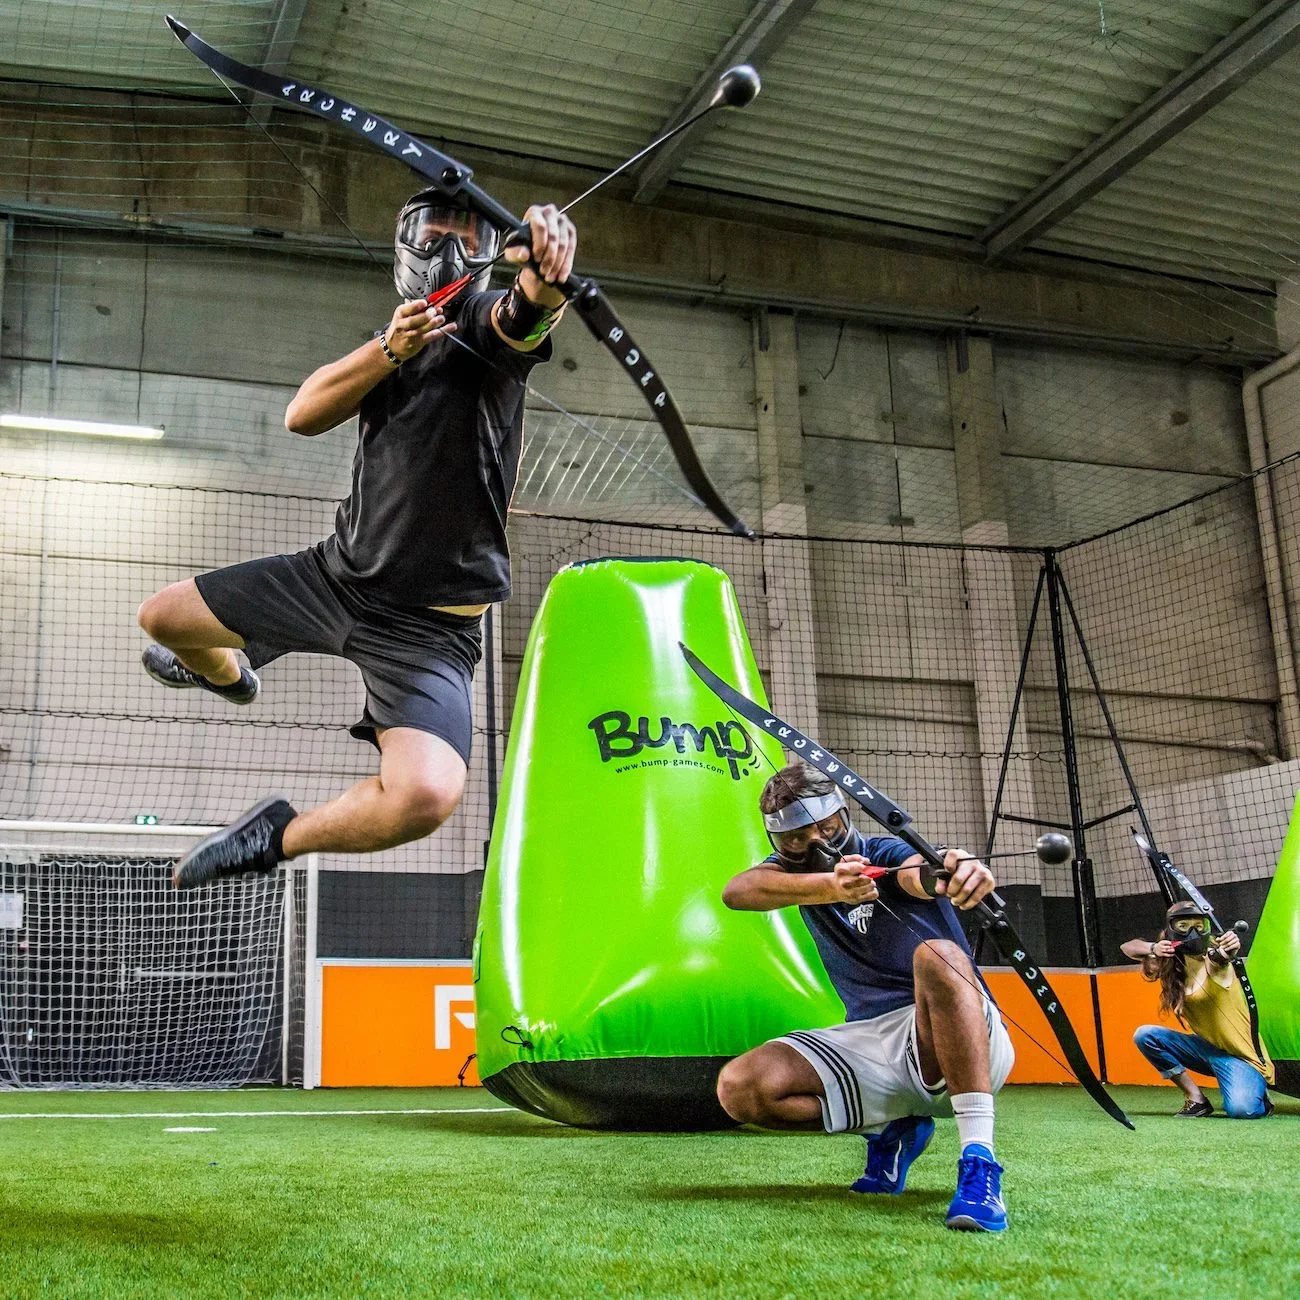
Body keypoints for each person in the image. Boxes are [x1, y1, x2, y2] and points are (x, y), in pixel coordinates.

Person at [136, 193, 577, 887]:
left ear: (491, 252)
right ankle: (228, 675)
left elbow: (522, 316)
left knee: (424, 796)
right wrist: (389, 349)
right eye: (434, 233)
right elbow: (302, 414)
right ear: (406, 246)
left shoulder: (483, 328)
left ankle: (277, 837)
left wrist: (547, 275)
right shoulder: (393, 340)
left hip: (428, 633)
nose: (449, 249)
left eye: (467, 237)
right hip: (334, 581)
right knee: (163, 618)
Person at [715, 760, 1014, 1233]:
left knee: (938, 956)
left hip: (954, 1035)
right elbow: (737, 891)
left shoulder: (883, 852)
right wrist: (830, 886)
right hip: (872, 1043)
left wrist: (954, 871)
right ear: (778, 841)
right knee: (741, 1088)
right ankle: (891, 1129)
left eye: (827, 828)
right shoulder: (793, 874)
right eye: (797, 839)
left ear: (844, 816)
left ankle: (979, 1160)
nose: (818, 844)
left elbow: (920, 872)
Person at [1124, 901, 1274, 1119]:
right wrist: (1153, 948)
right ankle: (1195, 1099)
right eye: (1183, 926)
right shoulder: (1171, 961)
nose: (1192, 932)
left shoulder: (1213, 957)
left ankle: (1259, 1095)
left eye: (1199, 926)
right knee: (1145, 1035)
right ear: (1171, 930)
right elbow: (1128, 947)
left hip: (1241, 1057)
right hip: (1206, 1050)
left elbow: (1222, 958)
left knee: (1242, 1109)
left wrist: (1229, 949)